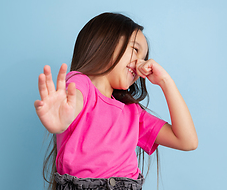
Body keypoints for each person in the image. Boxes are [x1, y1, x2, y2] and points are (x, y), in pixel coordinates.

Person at [34, 12, 198, 190]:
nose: (139, 64)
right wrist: (64, 118)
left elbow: (187, 141)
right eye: (135, 50)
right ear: (105, 41)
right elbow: (75, 101)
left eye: (143, 58)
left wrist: (166, 82)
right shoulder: (80, 83)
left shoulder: (132, 112)